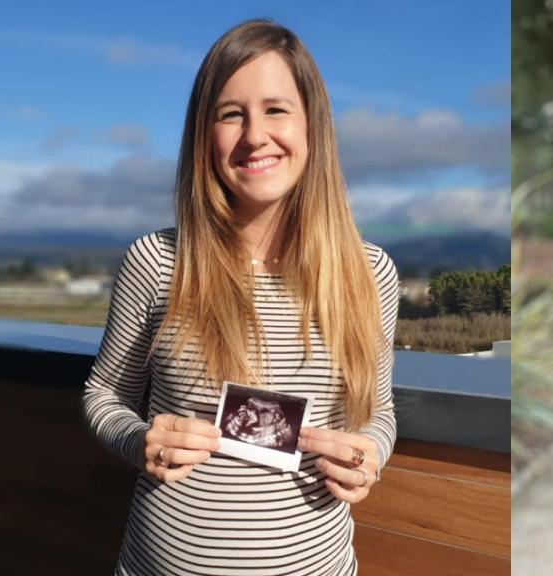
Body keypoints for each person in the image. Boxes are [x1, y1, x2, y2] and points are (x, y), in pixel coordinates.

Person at [82, 19, 398, 575]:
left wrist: (368, 455)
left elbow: (377, 414)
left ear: (312, 126)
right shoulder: (157, 263)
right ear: (205, 134)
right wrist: (140, 440)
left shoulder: (369, 272)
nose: (255, 135)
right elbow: (103, 393)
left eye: (276, 109)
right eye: (231, 113)